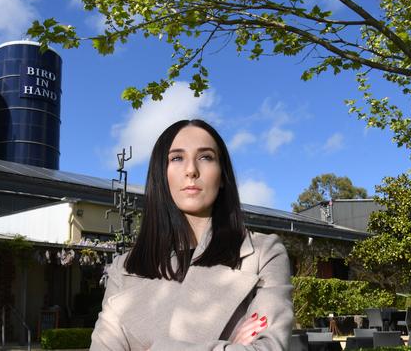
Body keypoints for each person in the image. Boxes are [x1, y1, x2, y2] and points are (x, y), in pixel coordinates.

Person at [90, 119, 293, 350]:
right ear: (161, 176)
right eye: (177, 158)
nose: (191, 170)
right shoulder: (124, 267)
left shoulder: (263, 253)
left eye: (205, 157)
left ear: (223, 175)